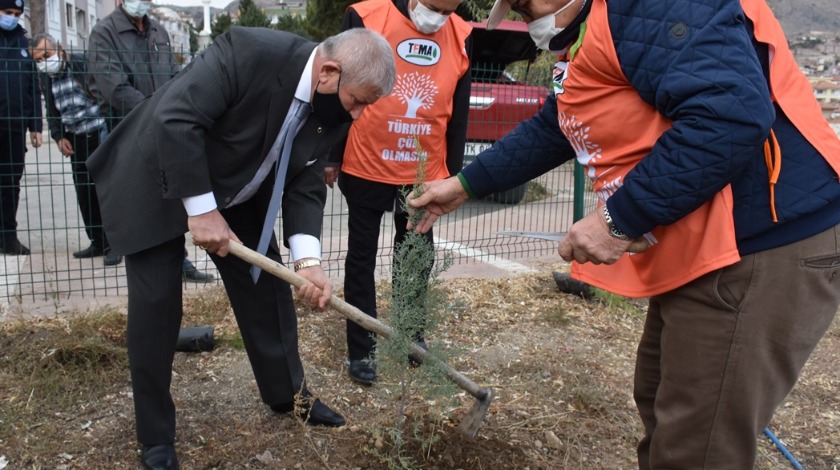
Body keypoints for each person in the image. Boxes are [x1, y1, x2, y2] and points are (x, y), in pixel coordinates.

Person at [407, 0, 840, 468]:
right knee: (659, 399)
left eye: (523, 3)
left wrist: (618, 220)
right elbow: (559, 125)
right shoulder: (597, 29)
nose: (521, 14)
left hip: (759, 245)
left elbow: (728, 116)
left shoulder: (651, 6)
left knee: (697, 446)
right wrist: (466, 183)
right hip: (712, 245)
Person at [86, 26, 396, 470]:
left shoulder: (334, 107)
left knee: (266, 287)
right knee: (157, 303)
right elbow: (175, 117)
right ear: (329, 72)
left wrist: (307, 261)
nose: (361, 113)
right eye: (358, 101)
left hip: (237, 185)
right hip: (160, 169)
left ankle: (290, 396)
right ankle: (155, 436)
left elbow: (305, 178)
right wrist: (201, 209)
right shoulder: (249, 52)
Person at [326, 0, 471, 386]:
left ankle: (411, 336)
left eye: (449, 7)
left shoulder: (461, 34)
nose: (439, 15)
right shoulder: (366, 16)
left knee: (416, 255)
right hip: (367, 161)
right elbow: (338, 85)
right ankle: (362, 348)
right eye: (435, 5)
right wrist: (330, 153)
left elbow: (459, 112)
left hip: (424, 171)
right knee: (361, 255)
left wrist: (453, 177)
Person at [87, 0, 213, 281]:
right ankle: (118, 246)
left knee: (171, 194)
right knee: (127, 195)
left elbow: (172, 76)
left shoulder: (159, 32)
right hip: (124, 125)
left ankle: (178, 260)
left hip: (163, 125)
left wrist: (172, 112)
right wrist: (155, 113)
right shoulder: (104, 32)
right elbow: (113, 86)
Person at [29, 33, 122, 266]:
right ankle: (97, 241)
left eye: (47, 55)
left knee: (105, 192)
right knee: (84, 193)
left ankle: (115, 244)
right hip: (75, 138)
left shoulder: (81, 63)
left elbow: (104, 96)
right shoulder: (48, 78)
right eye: (39, 60)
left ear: (59, 48)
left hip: (98, 133)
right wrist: (59, 136)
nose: (44, 62)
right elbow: (52, 111)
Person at [0, 0, 41, 255]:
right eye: (7, 13)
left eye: (17, 14)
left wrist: (35, 125)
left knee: (10, 184)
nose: (12, 18)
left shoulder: (23, 43)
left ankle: (8, 236)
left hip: (15, 126)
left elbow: (33, 87)